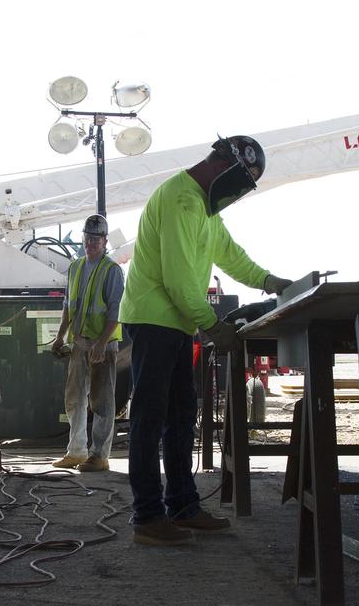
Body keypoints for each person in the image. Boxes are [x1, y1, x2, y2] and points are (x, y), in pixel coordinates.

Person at [118, 135, 295, 546]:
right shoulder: (181, 200)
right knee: (149, 419)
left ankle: (182, 505)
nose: (235, 195)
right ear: (222, 167)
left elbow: (231, 256)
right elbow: (180, 281)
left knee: (181, 417)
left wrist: (270, 281)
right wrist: (212, 326)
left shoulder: (206, 209)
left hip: (176, 324)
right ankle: (147, 516)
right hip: (152, 320)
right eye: (239, 183)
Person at [49, 214, 125, 473]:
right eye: (88, 238)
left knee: (102, 402)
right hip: (79, 343)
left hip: (102, 345)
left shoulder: (112, 270)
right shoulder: (75, 267)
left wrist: (102, 343)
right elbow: (67, 306)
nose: (91, 243)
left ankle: (99, 455)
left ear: (105, 242)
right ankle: (76, 451)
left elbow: (116, 311)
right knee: (75, 399)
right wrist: (61, 335)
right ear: (83, 238)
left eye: (96, 239)